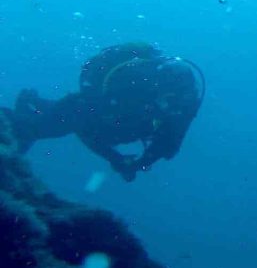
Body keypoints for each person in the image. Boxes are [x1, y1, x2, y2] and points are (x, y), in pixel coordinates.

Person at [0, 42, 204, 181]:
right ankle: (22, 116)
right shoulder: (131, 90)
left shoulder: (183, 106)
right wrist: (114, 158)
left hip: (107, 116)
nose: (170, 106)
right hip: (94, 108)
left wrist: (137, 163)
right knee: (41, 128)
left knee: (68, 120)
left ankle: (32, 102)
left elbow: (167, 147)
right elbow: (84, 126)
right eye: (167, 99)